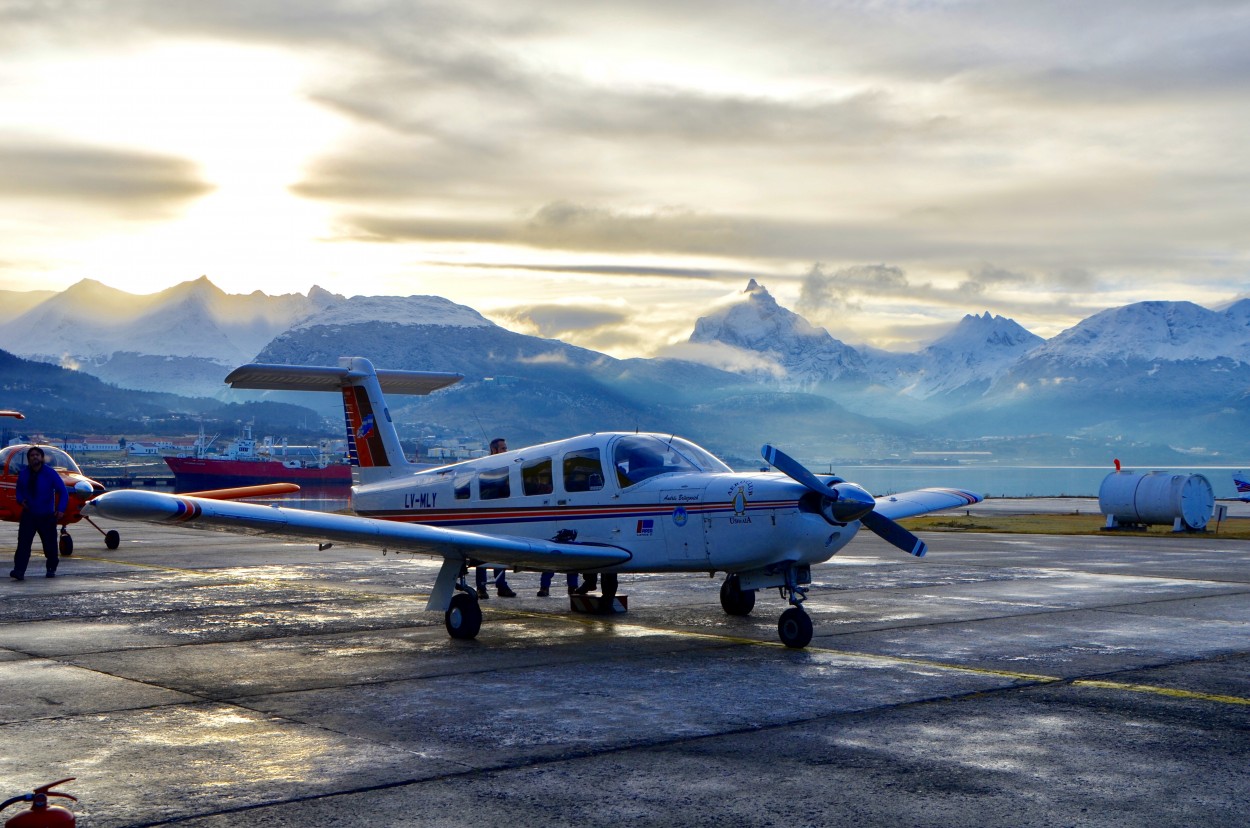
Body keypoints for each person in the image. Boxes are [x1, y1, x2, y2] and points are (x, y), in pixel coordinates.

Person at [10, 446, 68, 581]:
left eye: (37, 455)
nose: (35, 457)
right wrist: (20, 500)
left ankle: (51, 568)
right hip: (29, 515)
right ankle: (19, 571)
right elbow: (19, 490)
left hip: (46, 516)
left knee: (50, 546)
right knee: (23, 545)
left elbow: (63, 492)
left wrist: (61, 509)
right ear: (28, 459)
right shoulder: (24, 474)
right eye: (32, 455)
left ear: (42, 458)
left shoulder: (50, 473)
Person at [476, 436, 515, 598]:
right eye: (503, 448)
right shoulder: (484, 468)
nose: (506, 451)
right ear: (493, 450)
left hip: (501, 516)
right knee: (480, 554)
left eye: (506, 448)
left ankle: (501, 585)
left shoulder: (507, 468)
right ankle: (481, 587)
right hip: (484, 517)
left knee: (501, 552)